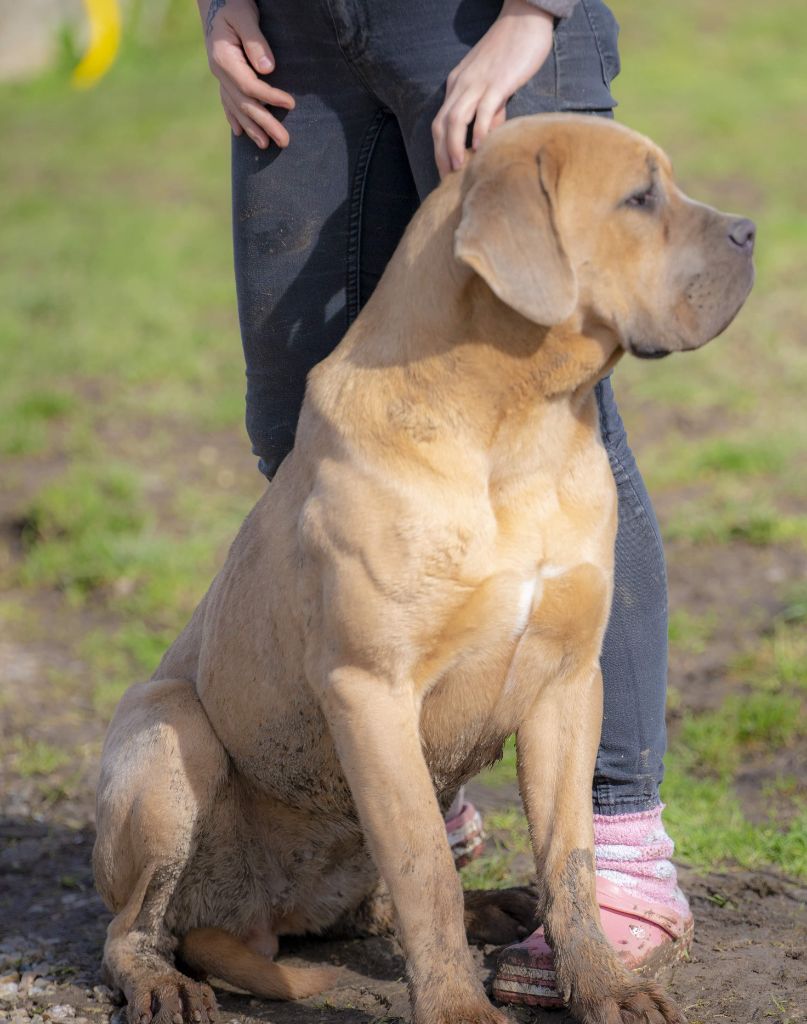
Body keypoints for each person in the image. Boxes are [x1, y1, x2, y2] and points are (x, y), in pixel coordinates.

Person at [195, 0, 693, 1006]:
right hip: (297, 33)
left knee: (556, 384)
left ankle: (621, 844)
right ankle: (416, 791)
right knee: (311, 424)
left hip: (476, 16)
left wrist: (537, 11)